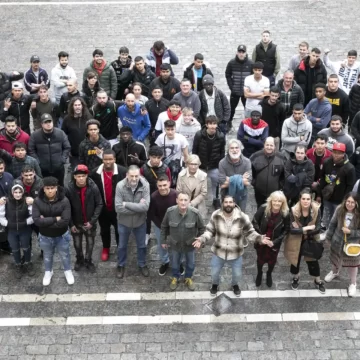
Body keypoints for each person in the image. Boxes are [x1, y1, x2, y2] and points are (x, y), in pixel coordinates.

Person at [194, 195, 263, 296]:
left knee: (237, 275)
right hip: (218, 252)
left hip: (236, 253)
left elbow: (250, 232)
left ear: (234, 204)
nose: (228, 204)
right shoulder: (216, 215)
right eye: (226, 202)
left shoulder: (242, 217)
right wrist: (202, 239)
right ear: (222, 204)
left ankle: (234, 285)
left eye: (230, 202)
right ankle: (215, 284)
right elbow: (209, 231)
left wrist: (260, 238)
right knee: (214, 273)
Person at [32, 176, 73, 286]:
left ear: (56, 188)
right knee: (47, 256)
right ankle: (48, 272)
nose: (50, 191)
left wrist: (45, 221)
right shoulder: (37, 201)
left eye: (52, 188)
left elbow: (65, 221)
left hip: (62, 236)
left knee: (65, 255)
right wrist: (55, 219)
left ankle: (67, 271)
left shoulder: (64, 200)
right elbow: (36, 221)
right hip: (45, 236)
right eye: (47, 188)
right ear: (43, 189)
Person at [284, 188, 325, 293]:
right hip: (296, 240)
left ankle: (317, 280)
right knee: (295, 260)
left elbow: (318, 228)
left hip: (311, 239)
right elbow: (292, 230)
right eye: (303, 199)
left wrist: (304, 232)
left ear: (311, 199)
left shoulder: (316, 209)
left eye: (308, 199)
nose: (306, 201)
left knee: (313, 261)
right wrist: (305, 229)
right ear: (299, 199)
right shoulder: (293, 210)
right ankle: (296, 277)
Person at [161, 192, 205, 291]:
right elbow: (164, 227)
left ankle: (188, 277)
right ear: (177, 201)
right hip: (175, 244)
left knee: (190, 264)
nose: (183, 202)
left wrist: (200, 241)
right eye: (181, 200)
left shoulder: (195, 213)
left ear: (189, 201)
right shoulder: (170, 212)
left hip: (189, 245)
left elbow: (202, 228)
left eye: (186, 200)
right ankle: (175, 277)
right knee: (175, 263)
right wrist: (163, 240)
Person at [90, 149, 126, 261]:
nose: (108, 162)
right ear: (102, 159)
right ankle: (106, 247)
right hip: (103, 208)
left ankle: (121, 249)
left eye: (110, 159)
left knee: (119, 230)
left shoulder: (122, 171)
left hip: (118, 208)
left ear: (114, 159)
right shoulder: (95, 173)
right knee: (104, 230)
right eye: (105, 159)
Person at [114, 165, 150, 279]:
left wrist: (127, 205)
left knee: (141, 245)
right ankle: (121, 264)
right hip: (124, 222)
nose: (134, 179)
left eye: (136, 176)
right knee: (122, 246)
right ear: (127, 175)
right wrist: (138, 208)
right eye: (132, 176)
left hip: (140, 223)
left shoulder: (145, 185)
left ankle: (142, 263)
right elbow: (118, 208)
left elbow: (146, 207)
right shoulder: (120, 186)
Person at [66, 164, 103, 272]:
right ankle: (79, 260)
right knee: (77, 243)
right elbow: (66, 207)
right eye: (78, 176)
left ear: (86, 176)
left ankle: (88, 260)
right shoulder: (69, 188)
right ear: (74, 177)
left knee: (90, 243)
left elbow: (99, 204)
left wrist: (92, 221)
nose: (81, 178)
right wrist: (71, 224)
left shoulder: (93, 187)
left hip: (89, 222)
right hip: (76, 223)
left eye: (83, 176)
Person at [324, 192, 360, 297]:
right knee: (335, 258)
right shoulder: (339, 209)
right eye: (348, 201)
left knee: (353, 264)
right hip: (337, 240)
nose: (349, 204)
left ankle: (353, 283)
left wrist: (351, 232)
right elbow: (332, 224)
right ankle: (334, 272)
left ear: (356, 203)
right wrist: (328, 238)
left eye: (352, 202)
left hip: (353, 245)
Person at [252, 191, 290, 287]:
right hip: (262, 241)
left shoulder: (285, 213)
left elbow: (286, 229)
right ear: (271, 201)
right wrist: (261, 237)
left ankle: (269, 274)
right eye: (275, 201)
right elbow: (254, 222)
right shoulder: (263, 208)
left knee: (272, 261)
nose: (277, 203)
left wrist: (275, 242)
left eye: (279, 201)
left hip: (274, 243)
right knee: (260, 259)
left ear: (283, 203)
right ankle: (259, 273)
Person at [0, 183, 34, 278]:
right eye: (16, 192)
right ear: (12, 192)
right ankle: (18, 264)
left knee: (26, 247)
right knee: (15, 248)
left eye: (20, 192)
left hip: (25, 229)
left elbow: (33, 216)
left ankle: (28, 263)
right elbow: (1, 216)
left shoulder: (27, 201)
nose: (18, 194)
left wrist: (25, 223)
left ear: (23, 193)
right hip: (11, 231)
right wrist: (8, 224)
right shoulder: (6, 202)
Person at [319, 143, 356, 229]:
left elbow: (350, 186)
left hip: (339, 200)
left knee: (337, 219)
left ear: (343, 154)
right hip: (327, 196)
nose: (336, 155)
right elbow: (322, 177)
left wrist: (345, 200)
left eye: (339, 153)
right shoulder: (326, 162)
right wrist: (320, 193)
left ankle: (333, 234)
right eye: (335, 152)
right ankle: (325, 232)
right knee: (326, 216)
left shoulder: (350, 168)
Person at [28, 113, 70, 186]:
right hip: (43, 169)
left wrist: (62, 160)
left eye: (49, 122)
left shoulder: (60, 133)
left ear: (52, 122)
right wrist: (38, 162)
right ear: (42, 124)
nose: (48, 124)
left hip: (58, 168)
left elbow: (67, 147)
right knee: (43, 187)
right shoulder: (35, 135)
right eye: (45, 122)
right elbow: (31, 149)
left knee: (59, 187)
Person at [192, 115, 225, 209]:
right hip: (201, 165)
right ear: (206, 125)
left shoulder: (221, 136)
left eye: (214, 124)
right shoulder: (199, 135)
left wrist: (220, 166)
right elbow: (195, 150)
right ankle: (197, 201)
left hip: (214, 165)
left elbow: (222, 152)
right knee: (198, 184)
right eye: (210, 124)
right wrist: (195, 164)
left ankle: (215, 199)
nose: (212, 126)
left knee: (216, 183)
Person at [140, 146, 171, 244]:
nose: (156, 160)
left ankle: (166, 233)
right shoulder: (143, 168)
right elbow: (140, 184)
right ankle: (146, 234)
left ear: (162, 157)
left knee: (164, 215)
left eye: (158, 157)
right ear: (149, 157)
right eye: (154, 157)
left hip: (161, 195)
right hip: (147, 195)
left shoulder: (166, 168)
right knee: (147, 216)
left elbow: (169, 182)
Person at [148, 176, 177, 276]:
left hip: (175, 226)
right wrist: (162, 226)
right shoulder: (153, 196)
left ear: (169, 184)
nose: (162, 188)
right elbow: (152, 214)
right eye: (160, 186)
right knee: (162, 245)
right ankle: (165, 262)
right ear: (157, 186)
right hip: (159, 225)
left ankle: (178, 262)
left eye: (164, 185)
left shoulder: (175, 194)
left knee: (177, 244)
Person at [250, 137, 286, 207]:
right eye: (267, 145)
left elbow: (285, 174)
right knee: (260, 209)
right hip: (260, 192)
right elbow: (250, 170)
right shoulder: (256, 156)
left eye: (271, 145)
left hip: (275, 192)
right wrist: (254, 182)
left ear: (275, 146)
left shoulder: (281, 158)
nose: (269, 147)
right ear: (264, 145)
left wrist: (280, 185)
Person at [218, 139, 251, 213]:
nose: (234, 150)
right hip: (226, 195)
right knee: (226, 216)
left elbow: (248, 182)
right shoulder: (222, 163)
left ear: (240, 149)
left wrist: (229, 179)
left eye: (237, 148)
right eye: (232, 148)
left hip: (242, 195)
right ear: (228, 149)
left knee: (240, 216)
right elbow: (222, 184)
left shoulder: (247, 162)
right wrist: (241, 178)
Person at [155, 120, 189, 187]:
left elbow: (186, 155)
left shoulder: (181, 138)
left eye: (172, 129)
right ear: (164, 129)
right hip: (163, 164)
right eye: (168, 129)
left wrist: (186, 167)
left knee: (175, 183)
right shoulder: (161, 137)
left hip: (176, 164)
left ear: (175, 129)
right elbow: (157, 152)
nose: (170, 132)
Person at [225, 44, 254, 124]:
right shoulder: (231, 63)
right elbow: (227, 74)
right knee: (232, 108)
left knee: (247, 108)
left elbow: (253, 77)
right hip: (235, 91)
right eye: (240, 52)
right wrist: (232, 87)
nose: (241, 54)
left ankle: (249, 123)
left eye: (243, 52)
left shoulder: (251, 63)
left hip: (246, 92)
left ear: (245, 53)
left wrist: (250, 88)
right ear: (237, 52)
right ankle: (229, 122)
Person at [62, 97, 92, 170]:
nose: (77, 107)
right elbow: (63, 135)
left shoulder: (89, 118)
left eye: (79, 105)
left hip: (87, 152)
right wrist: (67, 149)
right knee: (76, 172)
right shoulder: (67, 119)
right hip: (74, 153)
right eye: (75, 105)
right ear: (72, 107)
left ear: (82, 106)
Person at [306, 133, 332, 199]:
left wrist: (318, 182)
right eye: (318, 143)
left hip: (323, 183)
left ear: (326, 144)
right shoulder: (308, 153)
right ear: (314, 143)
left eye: (322, 143)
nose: (320, 145)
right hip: (308, 181)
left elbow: (328, 173)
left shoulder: (330, 156)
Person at [0, 159, 14, 254]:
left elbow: (12, 191)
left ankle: (5, 245)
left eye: (1, 168)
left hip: (7, 206)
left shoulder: (9, 176)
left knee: (5, 229)